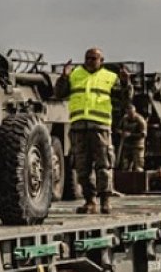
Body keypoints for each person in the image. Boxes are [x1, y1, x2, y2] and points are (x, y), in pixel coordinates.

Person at [55, 48, 132, 214]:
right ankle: (89, 201)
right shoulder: (75, 74)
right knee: (82, 167)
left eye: (93, 59)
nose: (89, 61)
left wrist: (126, 83)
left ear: (101, 61)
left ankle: (105, 200)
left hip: (100, 126)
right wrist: (64, 77)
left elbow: (125, 100)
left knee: (103, 165)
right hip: (79, 127)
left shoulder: (110, 77)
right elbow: (59, 94)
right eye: (87, 58)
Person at [118, 104, 147, 172]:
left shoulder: (140, 120)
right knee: (125, 167)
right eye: (128, 113)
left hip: (138, 146)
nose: (130, 115)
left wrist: (131, 135)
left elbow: (143, 134)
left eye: (131, 113)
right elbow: (118, 128)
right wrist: (121, 132)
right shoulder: (124, 119)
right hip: (127, 146)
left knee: (138, 168)